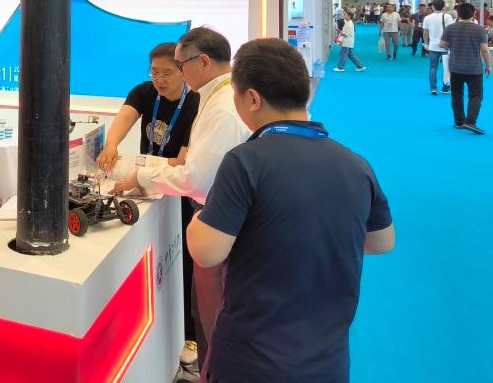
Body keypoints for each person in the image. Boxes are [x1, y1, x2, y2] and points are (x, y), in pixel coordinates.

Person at [186, 38, 394, 382]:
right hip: (327, 363)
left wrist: (197, 220)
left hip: (251, 361)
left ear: (253, 99)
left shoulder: (246, 161)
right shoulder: (355, 164)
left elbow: (207, 252)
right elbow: (382, 241)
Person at [112, 27, 251, 371]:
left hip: (215, 213)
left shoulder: (219, 107)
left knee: (213, 308)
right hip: (216, 209)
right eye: (156, 71)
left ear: (202, 62)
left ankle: (212, 368)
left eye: (179, 66)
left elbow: (196, 177)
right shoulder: (218, 97)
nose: (174, 74)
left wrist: (142, 177)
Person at [96, 42, 201, 369]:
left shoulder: (195, 102)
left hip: (179, 190)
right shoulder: (144, 92)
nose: (159, 80)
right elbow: (125, 118)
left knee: (183, 261)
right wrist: (111, 145)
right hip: (146, 187)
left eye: (167, 73)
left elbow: (182, 161)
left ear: (183, 71)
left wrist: (149, 172)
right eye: (154, 72)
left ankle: (190, 333)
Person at [440, 2, 492, 135]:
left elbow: (442, 44)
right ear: (473, 14)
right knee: (476, 95)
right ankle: (470, 121)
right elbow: (485, 50)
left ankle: (459, 122)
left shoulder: (450, 28)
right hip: (474, 68)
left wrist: (452, 45)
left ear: (458, 14)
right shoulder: (479, 29)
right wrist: (489, 65)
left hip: (455, 67)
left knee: (457, 95)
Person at [423, 0, 454, 95]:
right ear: (443, 6)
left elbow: (425, 32)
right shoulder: (448, 16)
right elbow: (451, 31)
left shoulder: (427, 18)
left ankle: (433, 88)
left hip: (433, 46)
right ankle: (446, 87)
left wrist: (425, 43)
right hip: (446, 46)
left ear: (432, 7)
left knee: (433, 67)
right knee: (447, 68)